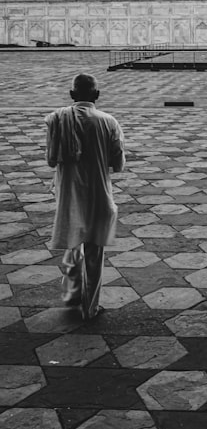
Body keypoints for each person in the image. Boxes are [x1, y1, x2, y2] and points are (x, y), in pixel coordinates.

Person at [45, 73, 125, 320]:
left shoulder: (57, 119)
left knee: (73, 245)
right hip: (98, 193)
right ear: (97, 95)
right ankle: (91, 307)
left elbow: (50, 160)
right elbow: (118, 163)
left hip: (69, 194)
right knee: (94, 254)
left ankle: (72, 294)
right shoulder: (108, 121)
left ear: (71, 95)